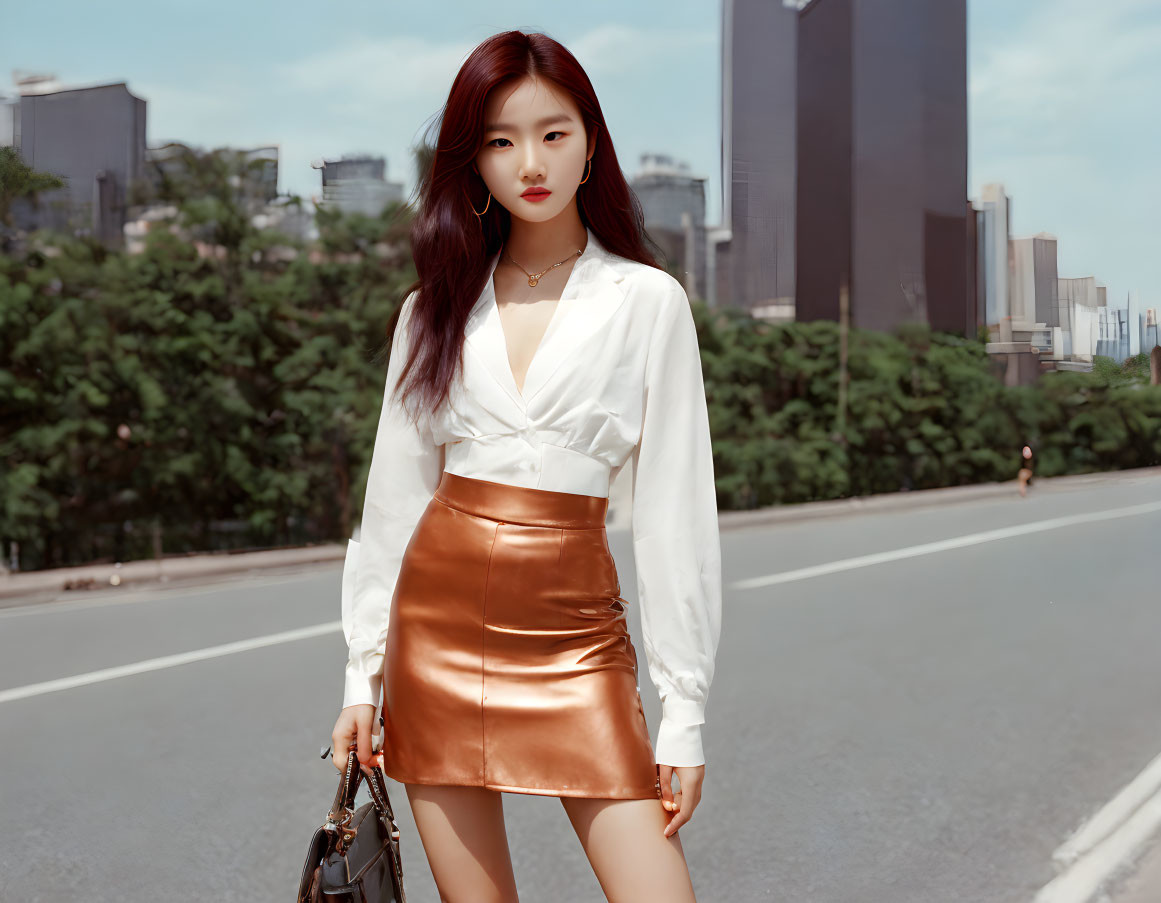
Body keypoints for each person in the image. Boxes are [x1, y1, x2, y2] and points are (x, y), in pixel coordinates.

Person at [330, 30, 722, 903]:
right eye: (500, 141)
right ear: (473, 165)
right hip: (433, 634)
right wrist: (362, 675)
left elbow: (671, 515)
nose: (530, 162)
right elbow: (392, 503)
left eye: (554, 133)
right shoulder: (431, 310)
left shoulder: (646, 302)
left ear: (591, 145)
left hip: (575, 635)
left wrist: (683, 711)